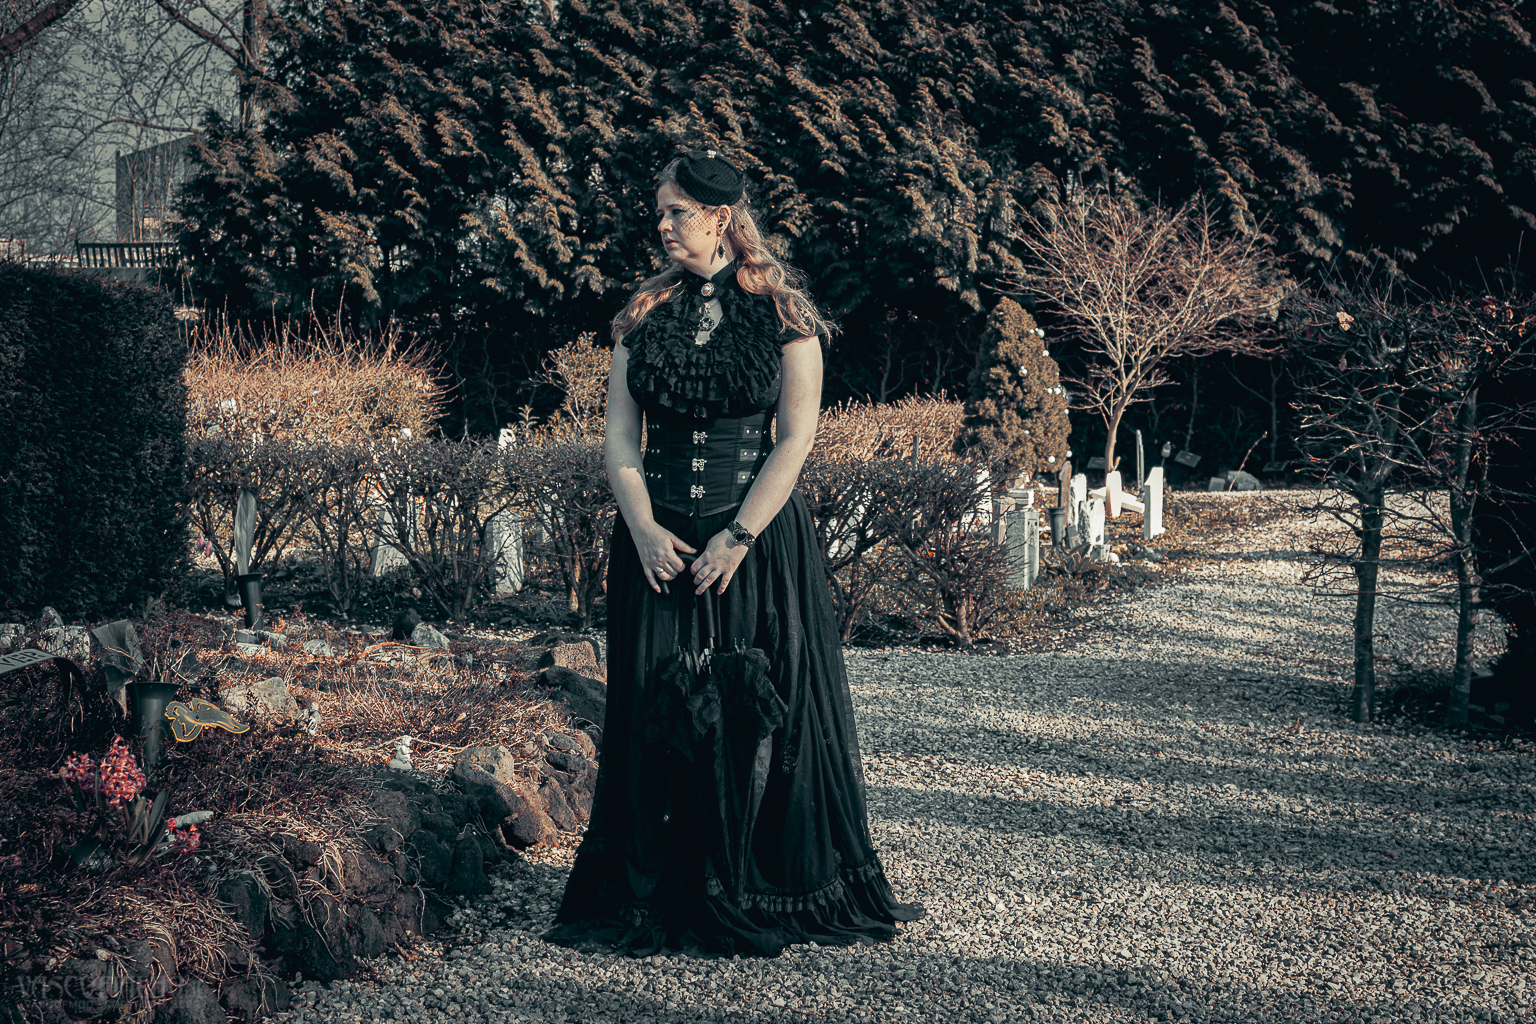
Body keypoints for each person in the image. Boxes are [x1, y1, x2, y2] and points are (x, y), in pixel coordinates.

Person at [543, 150, 922, 957]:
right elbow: (619, 439)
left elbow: (796, 440)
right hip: (656, 545)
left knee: (754, 706)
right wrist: (644, 529)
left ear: (720, 217)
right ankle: (668, 885)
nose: (663, 224)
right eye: (659, 211)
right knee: (656, 709)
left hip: (754, 542)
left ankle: (753, 878)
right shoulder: (643, 314)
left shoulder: (785, 313)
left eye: (676, 211)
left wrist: (739, 535)